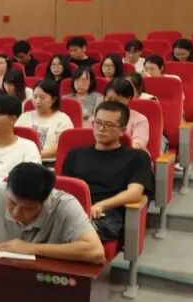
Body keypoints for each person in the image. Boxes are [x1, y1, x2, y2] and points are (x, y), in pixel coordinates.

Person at [0, 162, 105, 264]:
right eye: (12, 203)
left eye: (27, 208)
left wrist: (31, 248)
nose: (15, 213)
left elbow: (95, 252)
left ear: (44, 200)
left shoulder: (65, 205)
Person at [63, 101, 154, 242]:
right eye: (97, 123)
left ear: (122, 130)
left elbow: (135, 193)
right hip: (74, 210)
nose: (101, 129)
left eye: (109, 125)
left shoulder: (137, 157)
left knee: (78, 233)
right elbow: (64, 189)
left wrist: (102, 205)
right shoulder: (75, 154)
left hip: (107, 213)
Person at [17, 78, 73, 161]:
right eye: (35, 97)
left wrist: (35, 154)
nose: (37, 101)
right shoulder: (24, 117)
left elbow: (62, 146)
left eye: (42, 97)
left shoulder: (63, 119)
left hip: (49, 163)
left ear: (54, 99)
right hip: (24, 161)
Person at [99, 78, 150, 152]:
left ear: (129, 98)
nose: (112, 103)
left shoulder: (140, 120)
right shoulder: (96, 118)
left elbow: (138, 145)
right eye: (109, 99)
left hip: (131, 155)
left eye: (117, 100)